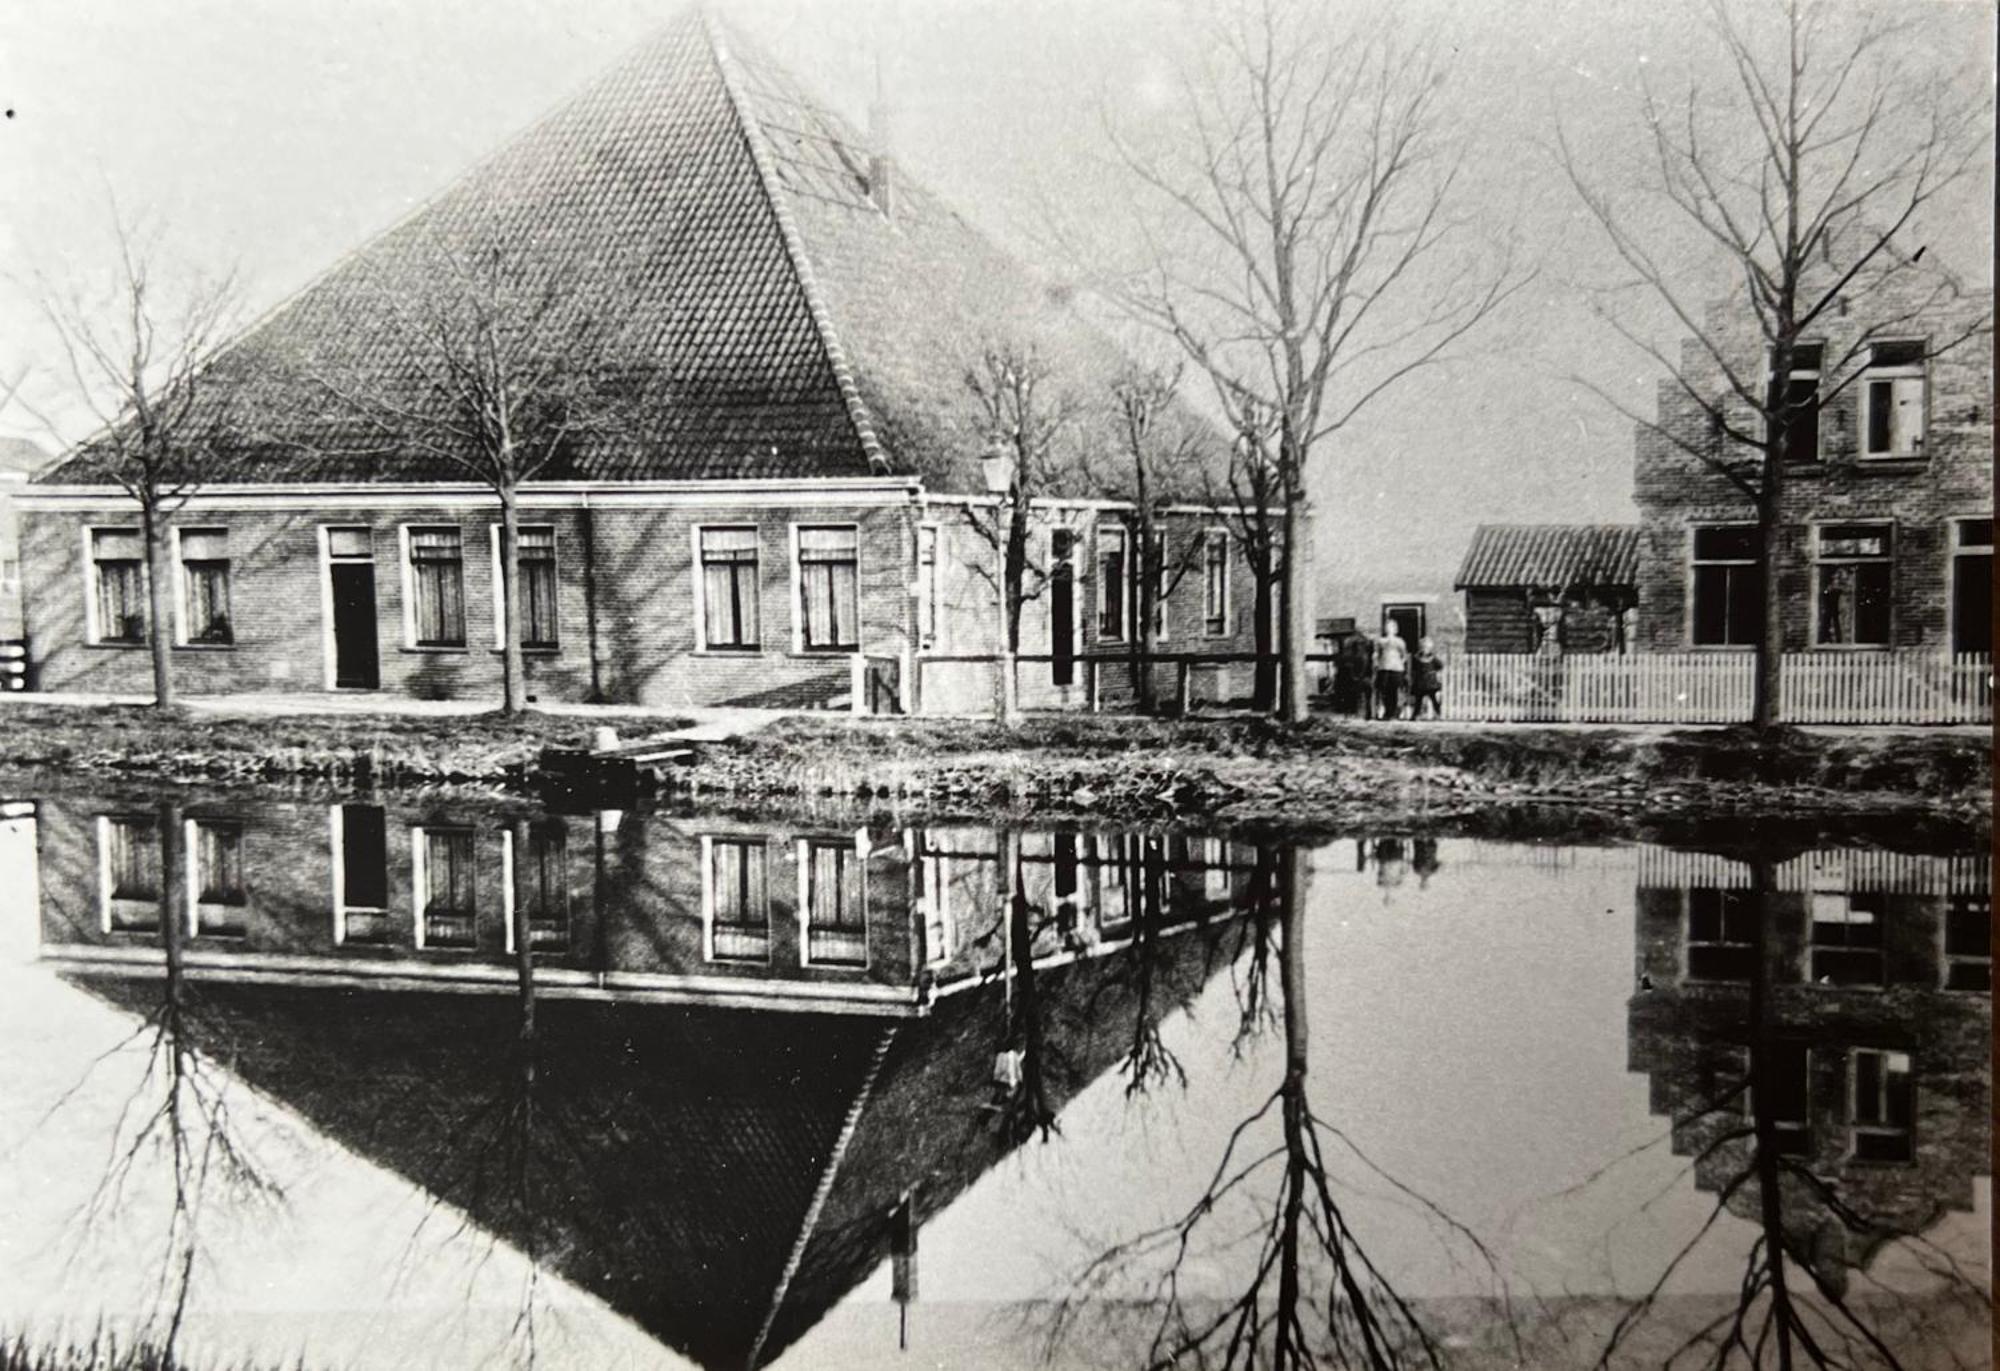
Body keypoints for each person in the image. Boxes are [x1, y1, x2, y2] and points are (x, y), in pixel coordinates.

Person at [1373, 621, 1407, 720]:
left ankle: (1395, 713)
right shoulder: (1381, 641)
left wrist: (1399, 663)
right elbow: (1376, 654)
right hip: (1384, 667)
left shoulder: (1399, 641)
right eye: (1387, 626)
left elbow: (1404, 655)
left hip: (1396, 669)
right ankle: (1387, 712)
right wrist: (1376, 662)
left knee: (1395, 690)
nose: (1389, 628)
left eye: (1391, 627)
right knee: (1384, 691)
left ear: (1395, 629)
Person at [1411, 635, 1444, 719]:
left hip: (1430, 683)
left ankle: (1438, 714)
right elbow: (1414, 669)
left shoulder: (1433, 659)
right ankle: (1415, 715)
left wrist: (1434, 674)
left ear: (1430, 648)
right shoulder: (1417, 658)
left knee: (1434, 700)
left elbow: (1440, 666)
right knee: (1418, 701)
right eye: (1423, 647)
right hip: (1420, 683)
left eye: (1427, 647)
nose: (1425, 649)